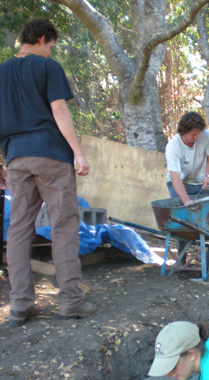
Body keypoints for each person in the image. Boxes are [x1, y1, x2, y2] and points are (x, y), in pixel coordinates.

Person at [0, 18, 93, 327]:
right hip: (51, 155)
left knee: (18, 230)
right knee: (63, 226)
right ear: (41, 39)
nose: (51, 52)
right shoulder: (47, 67)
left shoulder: (1, 72)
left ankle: (20, 305)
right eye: (51, 45)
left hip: (16, 159)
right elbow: (59, 110)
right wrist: (78, 152)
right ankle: (70, 302)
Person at [165, 112, 209, 206]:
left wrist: (207, 175)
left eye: (198, 134)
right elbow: (175, 177)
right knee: (183, 209)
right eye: (193, 135)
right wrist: (186, 201)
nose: (197, 137)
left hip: (200, 181)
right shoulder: (173, 147)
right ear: (183, 132)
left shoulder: (206, 135)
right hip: (180, 181)